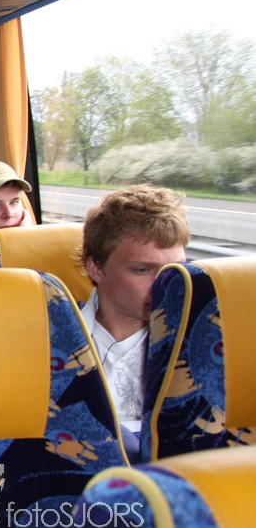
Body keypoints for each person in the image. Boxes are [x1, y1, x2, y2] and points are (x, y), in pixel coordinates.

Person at [78, 185, 189, 444]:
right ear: (96, 268)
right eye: (142, 270)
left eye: (175, 270)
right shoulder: (54, 344)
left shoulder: (199, 344)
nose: (164, 285)